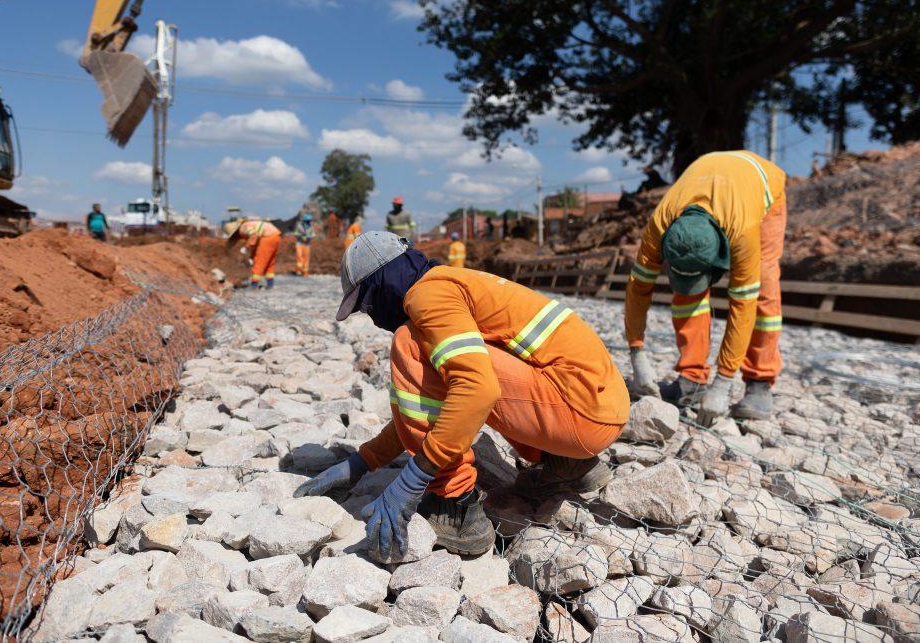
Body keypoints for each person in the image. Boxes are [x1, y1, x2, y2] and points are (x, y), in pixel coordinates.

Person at [295, 232, 629, 560]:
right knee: (454, 364)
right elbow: (433, 406)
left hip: (580, 415)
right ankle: (568, 463)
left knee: (411, 343)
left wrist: (412, 481)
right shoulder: (449, 283)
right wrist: (364, 460)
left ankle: (455, 507)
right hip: (600, 406)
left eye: (366, 305)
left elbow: (476, 390)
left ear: (382, 284)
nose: (372, 317)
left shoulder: (427, 296)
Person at [625, 150, 787, 425]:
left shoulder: (742, 232)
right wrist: (636, 353)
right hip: (711, 178)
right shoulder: (658, 227)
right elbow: (637, 288)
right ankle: (692, 378)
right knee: (687, 293)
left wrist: (723, 382)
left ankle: (759, 381)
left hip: (761, 186)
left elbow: (743, 305)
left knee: (762, 287)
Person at [227, 218, 281, 289]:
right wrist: (251, 257)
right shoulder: (249, 224)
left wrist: (246, 247)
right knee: (269, 262)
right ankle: (270, 284)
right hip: (276, 236)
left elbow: (254, 235)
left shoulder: (243, 228)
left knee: (259, 261)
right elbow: (256, 244)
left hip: (268, 237)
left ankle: (254, 285)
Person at [295, 213, 314, 277]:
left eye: (309, 221)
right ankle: (298, 271)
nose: (309, 222)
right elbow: (295, 233)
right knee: (299, 256)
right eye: (308, 221)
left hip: (307, 244)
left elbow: (313, 234)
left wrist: (309, 236)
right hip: (299, 243)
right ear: (304, 221)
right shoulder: (299, 226)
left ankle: (305, 272)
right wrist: (300, 235)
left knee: (306, 258)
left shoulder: (311, 227)